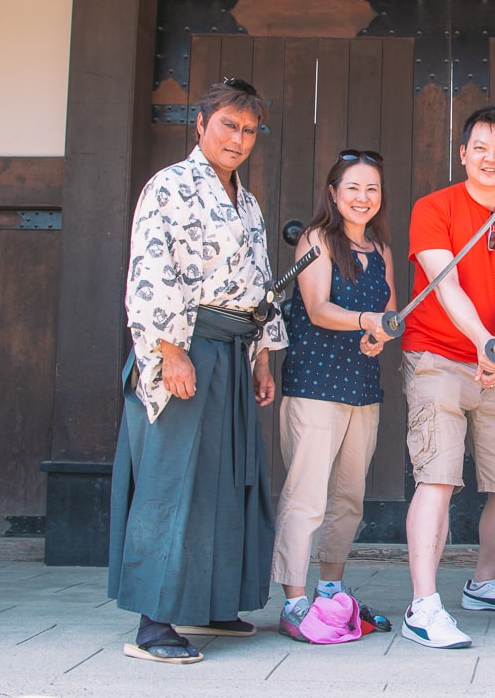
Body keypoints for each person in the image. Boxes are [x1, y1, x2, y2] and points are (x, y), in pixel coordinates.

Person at [108, 77, 287, 664]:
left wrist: (262, 355)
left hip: (234, 353)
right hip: (185, 347)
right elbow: (151, 269)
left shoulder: (248, 201)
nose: (238, 139)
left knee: (230, 481)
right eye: (228, 126)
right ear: (201, 124)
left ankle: (215, 604)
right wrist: (167, 350)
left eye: (249, 130)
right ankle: (153, 623)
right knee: (173, 483)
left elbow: (260, 284)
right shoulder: (171, 186)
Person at [400, 105, 495, 649]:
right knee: (437, 477)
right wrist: (485, 344)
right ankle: (423, 606)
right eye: (480, 148)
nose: (491, 158)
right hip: (436, 356)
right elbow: (447, 287)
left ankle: (484, 584)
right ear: (463, 154)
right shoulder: (433, 207)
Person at [272, 150, 396, 641]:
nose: (362, 198)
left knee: (348, 498)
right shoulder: (317, 240)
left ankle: (331, 591)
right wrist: (367, 322)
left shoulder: (380, 249)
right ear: (333, 192)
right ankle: (294, 601)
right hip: (316, 385)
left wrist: (380, 334)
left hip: (363, 387)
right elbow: (318, 308)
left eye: (372, 189)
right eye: (353, 188)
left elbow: (387, 311)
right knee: (307, 498)